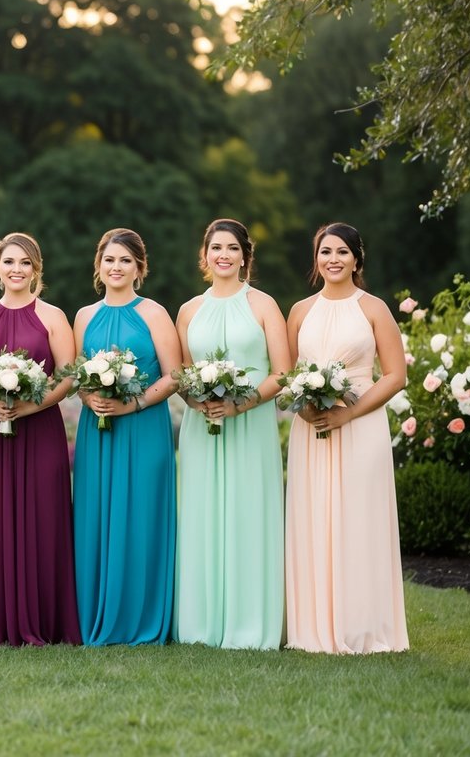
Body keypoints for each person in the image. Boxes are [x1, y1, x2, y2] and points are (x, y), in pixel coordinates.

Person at [285, 222, 409, 654]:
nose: (332, 259)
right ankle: (313, 627)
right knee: (314, 516)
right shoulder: (300, 310)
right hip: (311, 428)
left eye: (341, 251)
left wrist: (347, 414)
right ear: (315, 260)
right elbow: (287, 374)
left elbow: (396, 376)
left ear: (357, 259)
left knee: (359, 519)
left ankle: (362, 627)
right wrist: (305, 407)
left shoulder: (373, 308)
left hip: (362, 425)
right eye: (325, 252)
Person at [173, 219, 288, 649]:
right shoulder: (188, 310)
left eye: (232, 248)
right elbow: (182, 374)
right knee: (203, 518)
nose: (223, 255)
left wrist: (241, 403)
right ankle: (202, 624)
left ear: (245, 255)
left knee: (248, 515)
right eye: (215, 247)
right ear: (204, 255)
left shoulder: (264, 305)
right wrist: (199, 401)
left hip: (251, 425)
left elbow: (282, 372)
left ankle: (249, 624)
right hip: (202, 430)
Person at [0, 233, 81, 646]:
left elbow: (68, 375)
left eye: (26, 263)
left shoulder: (53, 316)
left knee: (44, 519)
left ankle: (44, 621)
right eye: (9, 262)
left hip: (41, 430)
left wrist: (28, 408)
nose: (17, 269)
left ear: (37, 269)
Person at [72, 227, 180, 646]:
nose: (116, 268)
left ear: (139, 267)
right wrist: (91, 398)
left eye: (125, 261)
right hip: (98, 431)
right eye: (109, 260)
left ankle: (141, 616)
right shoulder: (83, 315)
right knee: (96, 516)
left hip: (143, 427)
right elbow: (76, 374)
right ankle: (95, 611)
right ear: (99, 265)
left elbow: (174, 376)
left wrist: (130, 404)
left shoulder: (153, 312)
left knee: (140, 517)